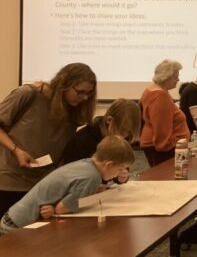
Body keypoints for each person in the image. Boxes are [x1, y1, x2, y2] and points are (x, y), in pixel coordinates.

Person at [0, 63, 97, 217]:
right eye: (80, 92)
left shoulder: (74, 110)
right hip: (9, 181)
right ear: (64, 84)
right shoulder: (27, 94)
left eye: (89, 94)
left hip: (42, 184)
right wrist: (16, 151)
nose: (84, 98)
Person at [0, 135, 134, 235]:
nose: (119, 174)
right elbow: (61, 209)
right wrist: (98, 195)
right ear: (109, 164)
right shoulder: (92, 177)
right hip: (18, 226)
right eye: (120, 169)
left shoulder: (86, 164)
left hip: (13, 216)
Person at [58, 98, 140, 185]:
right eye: (123, 129)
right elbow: (70, 174)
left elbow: (118, 166)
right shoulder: (84, 140)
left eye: (129, 132)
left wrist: (121, 176)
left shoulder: (122, 138)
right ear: (109, 120)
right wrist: (96, 184)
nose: (125, 135)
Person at [139, 59, 189, 167]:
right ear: (166, 77)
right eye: (176, 76)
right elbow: (161, 129)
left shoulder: (154, 90)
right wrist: (169, 147)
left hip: (159, 147)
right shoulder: (159, 95)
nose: (178, 79)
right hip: (163, 151)